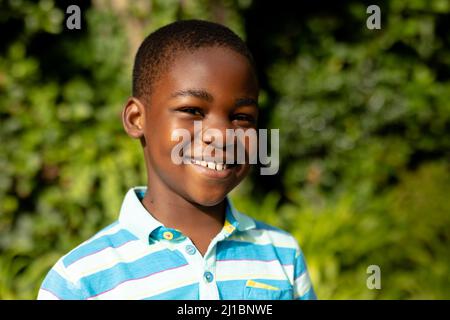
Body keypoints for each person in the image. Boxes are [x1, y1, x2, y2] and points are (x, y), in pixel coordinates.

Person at [37, 19, 316, 300]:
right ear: (137, 119)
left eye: (241, 117)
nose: (221, 135)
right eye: (192, 111)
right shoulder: (81, 281)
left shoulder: (282, 255)